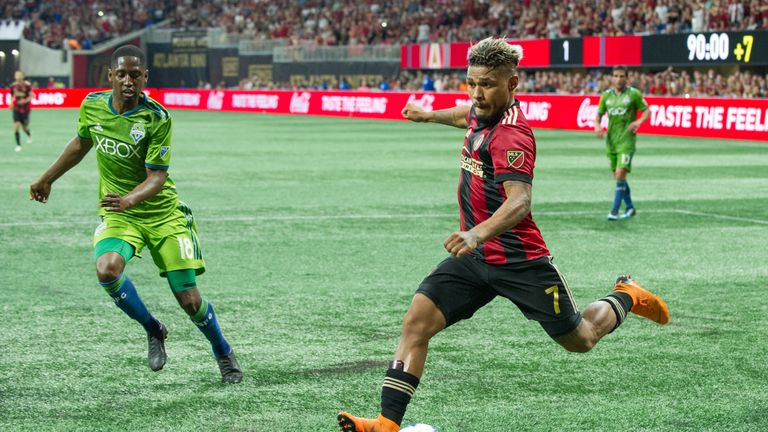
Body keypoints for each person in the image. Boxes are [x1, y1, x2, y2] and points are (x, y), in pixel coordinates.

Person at [337, 37, 669, 432]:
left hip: (519, 260)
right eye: (472, 83)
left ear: (512, 84)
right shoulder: (481, 110)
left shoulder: (513, 135)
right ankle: (386, 425)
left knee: (580, 338)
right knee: (416, 323)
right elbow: (466, 115)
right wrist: (427, 116)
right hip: (475, 261)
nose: (477, 93)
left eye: (488, 84)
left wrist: (476, 233)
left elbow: (519, 202)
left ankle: (626, 294)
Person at [29, 45, 242, 384]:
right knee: (107, 269)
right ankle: (154, 329)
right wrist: (46, 178)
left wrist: (128, 199)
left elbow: (157, 177)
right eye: (122, 74)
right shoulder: (92, 106)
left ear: (145, 77)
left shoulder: (157, 118)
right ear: (110, 76)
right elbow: (81, 143)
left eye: (135, 75)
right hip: (120, 214)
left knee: (188, 299)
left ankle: (222, 351)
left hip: (162, 214)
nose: (128, 81)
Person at [594, 65, 650, 221]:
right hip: (611, 141)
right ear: (611, 78)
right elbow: (598, 116)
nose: (618, 79)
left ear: (627, 78)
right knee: (619, 177)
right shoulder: (606, 96)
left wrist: (638, 122)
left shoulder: (634, 94)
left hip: (627, 141)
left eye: (621, 76)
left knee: (620, 174)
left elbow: (647, 110)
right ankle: (630, 208)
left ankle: (614, 211)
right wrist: (597, 126)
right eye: (616, 76)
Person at [10, 70, 33, 152]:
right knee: (16, 126)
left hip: (25, 109)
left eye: (19, 75)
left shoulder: (27, 85)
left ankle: (29, 134)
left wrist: (25, 101)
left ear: (23, 76)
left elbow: (31, 96)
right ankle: (18, 145)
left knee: (24, 127)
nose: (18, 76)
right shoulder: (13, 86)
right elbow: (12, 96)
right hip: (16, 108)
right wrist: (11, 103)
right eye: (16, 75)